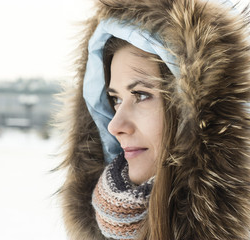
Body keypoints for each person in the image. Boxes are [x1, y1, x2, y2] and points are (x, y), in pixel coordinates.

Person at [57, 0, 250, 239]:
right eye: (115, 99)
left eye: (141, 95)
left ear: (196, 110)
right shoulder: (105, 221)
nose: (115, 125)